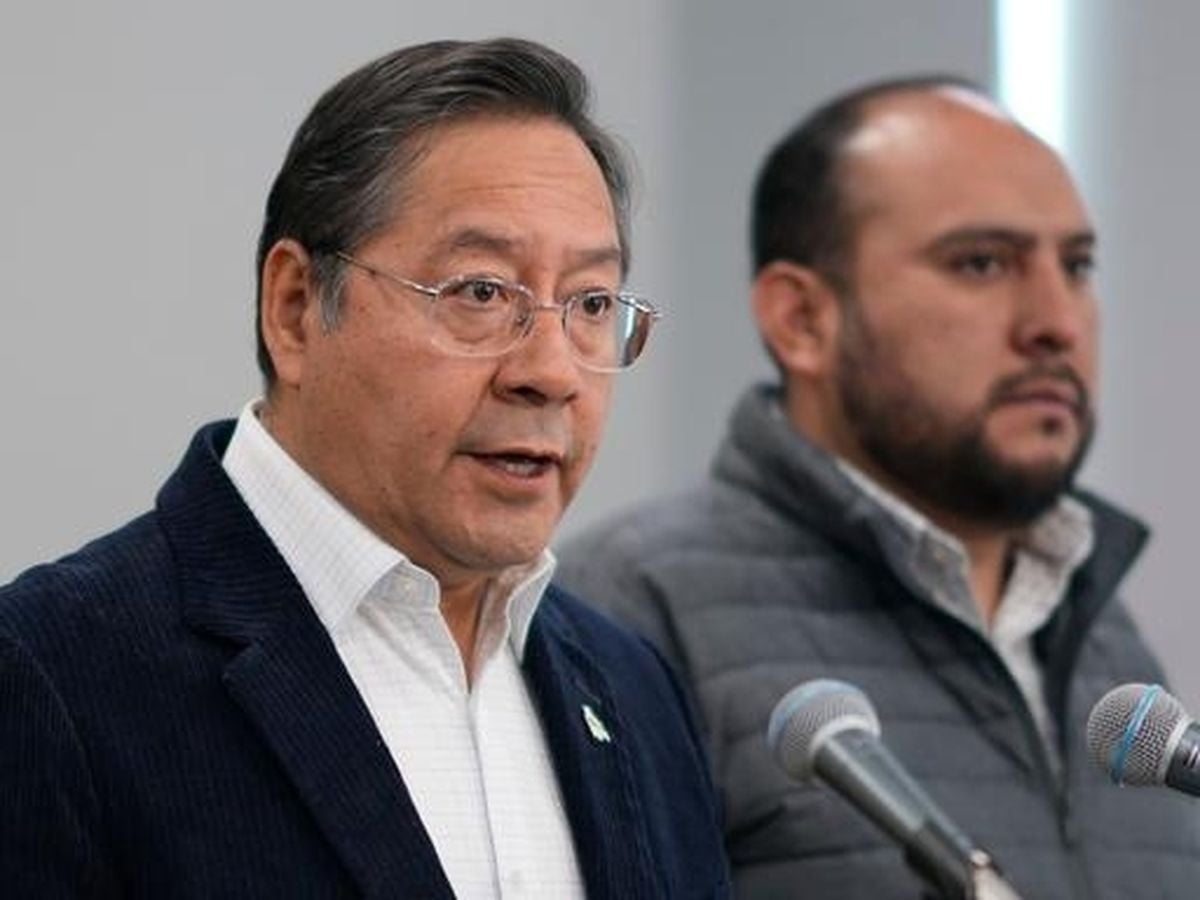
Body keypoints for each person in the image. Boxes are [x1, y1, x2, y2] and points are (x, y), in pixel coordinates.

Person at [0, 38, 730, 899]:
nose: (551, 371)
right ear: (295, 309)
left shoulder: (633, 686)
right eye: (481, 292)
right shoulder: (51, 672)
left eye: (592, 303)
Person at [558, 75, 1200, 899]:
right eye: (981, 263)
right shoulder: (632, 613)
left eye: (1076, 266)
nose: (1057, 322)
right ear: (802, 320)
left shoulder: (1108, 645)